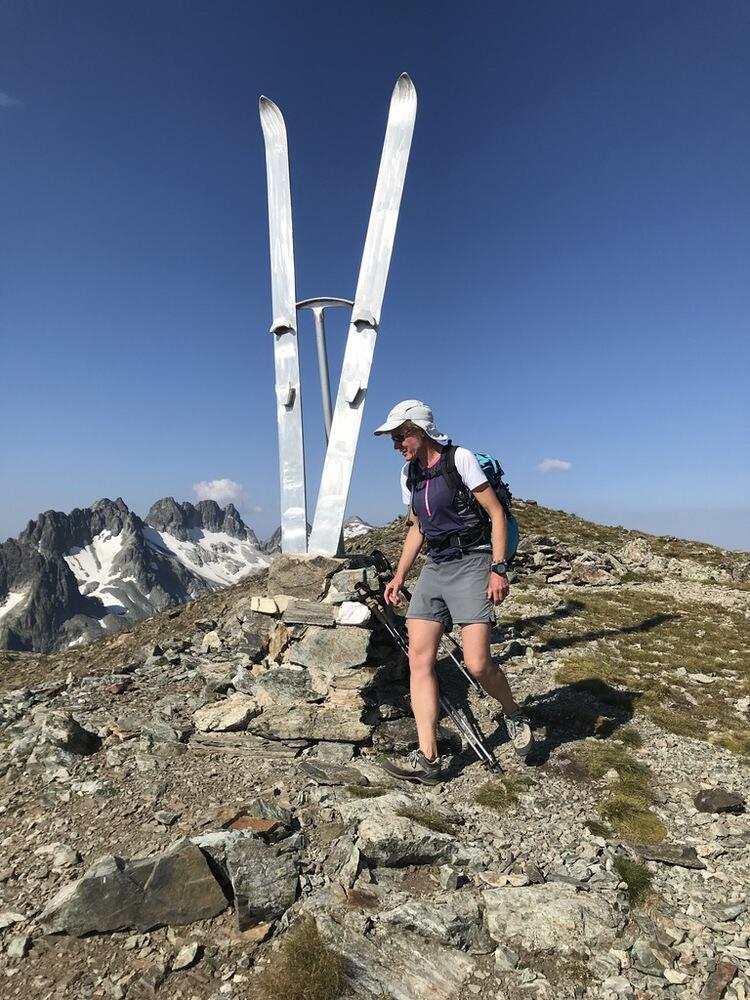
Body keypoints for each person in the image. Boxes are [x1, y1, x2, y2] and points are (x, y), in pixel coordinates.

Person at [373, 399, 533, 785]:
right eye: (393, 438)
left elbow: (495, 513)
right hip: (436, 566)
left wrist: (498, 569)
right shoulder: (409, 474)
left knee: (477, 664)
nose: (396, 444)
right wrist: (399, 576)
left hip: (474, 561)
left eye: (400, 436)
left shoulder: (459, 459)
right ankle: (428, 759)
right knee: (419, 660)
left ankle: (513, 714)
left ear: (419, 430)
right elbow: (417, 528)